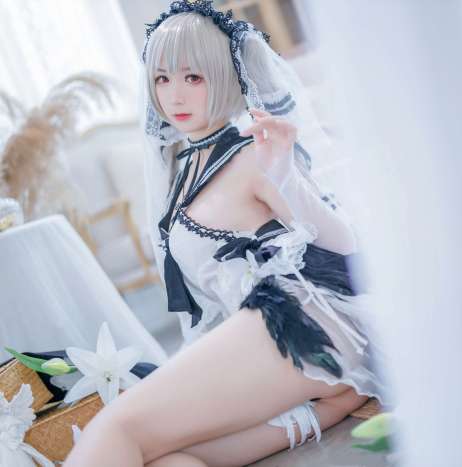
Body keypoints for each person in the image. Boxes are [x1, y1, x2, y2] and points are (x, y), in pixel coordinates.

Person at [64, 1, 390, 466]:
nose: (175, 95)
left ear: (223, 77)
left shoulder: (253, 154)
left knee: (114, 427)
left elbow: (346, 246)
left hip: (303, 324)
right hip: (269, 336)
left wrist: (286, 177)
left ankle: (327, 400)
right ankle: (318, 412)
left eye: (193, 77)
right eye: (162, 79)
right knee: (165, 457)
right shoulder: (184, 170)